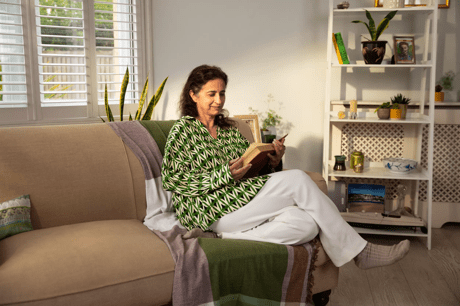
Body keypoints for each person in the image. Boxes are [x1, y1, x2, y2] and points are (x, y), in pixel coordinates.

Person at [161, 64, 410, 269]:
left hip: (240, 203)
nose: (219, 100)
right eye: (211, 94)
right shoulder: (183, 130)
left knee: (306, 224)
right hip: (208, 209)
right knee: (299, 179)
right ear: (193, 95)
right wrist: (222, 175)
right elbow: (172, 179)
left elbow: (250, 170)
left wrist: (273, 161)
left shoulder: (230, 131)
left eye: (222, 93)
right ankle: (360, 251)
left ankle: (219, 239)